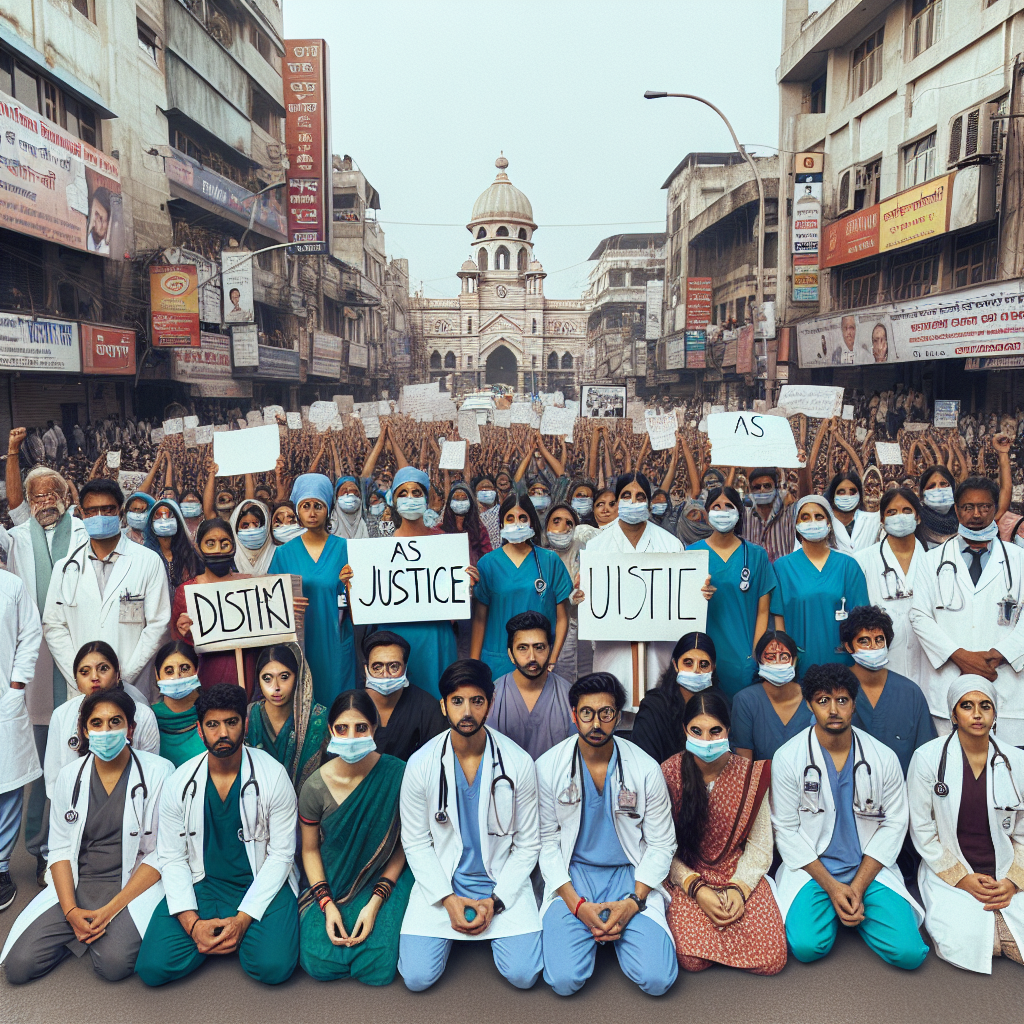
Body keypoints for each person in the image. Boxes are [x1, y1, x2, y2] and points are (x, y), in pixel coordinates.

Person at [0, 690, 173, 983]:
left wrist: (110, 910)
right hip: (80, 880)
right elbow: (59, 848)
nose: (106, 731)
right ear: (84, 730)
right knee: (19, 967)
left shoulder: (159, 772)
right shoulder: (70, 776)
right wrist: (70, 911)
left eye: (115, 722)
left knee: (113, 965)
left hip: (131, 881)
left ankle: (91, 931)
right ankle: (80, 928)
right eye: (97, 723)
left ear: (130, 729)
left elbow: (161, 853)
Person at [135, 684, 299, 986]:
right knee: (152, 968)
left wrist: (244, 919)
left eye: (231, 722)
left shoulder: (273, 776)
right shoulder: (179, 782)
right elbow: (171, 857)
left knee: (273, 967)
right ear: (200, 729)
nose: (222, 733)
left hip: (258, 880)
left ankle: (231, 934)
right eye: (212, 724)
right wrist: (192, 924)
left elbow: (281, 856)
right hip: (204, 885)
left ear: (245, 725)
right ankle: (218, 936)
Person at [397, 659, 543, 992]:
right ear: (443, 705)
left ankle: (490, 912)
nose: (467, 711)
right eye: (457, 701)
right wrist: (448, 899)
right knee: (416, 978)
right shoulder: (421, 765)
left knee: (523, 975)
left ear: (490, 704)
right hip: (443, 883)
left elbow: (528, 845)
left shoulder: (518, 762)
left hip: (501, 883)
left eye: (477, 701)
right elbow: (416, 842)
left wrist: (496, 901)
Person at [771, 663, 927, 969]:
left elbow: (895, 824)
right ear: (809, 705)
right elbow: (786, 831)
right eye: (823, 701)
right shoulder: (788, 758)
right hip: (814, 870)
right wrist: (834, 888)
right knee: (807, 948)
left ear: (854, 705)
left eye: (842, 700)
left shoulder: (883, 758)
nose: (833, 710)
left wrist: (855, 888)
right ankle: (842, 907)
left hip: (868, 869)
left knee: (909, 954)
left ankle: (851, 906)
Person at [535, 672, 678, 996]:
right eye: (587, 713)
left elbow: (662, 844)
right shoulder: (547, 767)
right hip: (574, 875)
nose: (596, 723)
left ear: (619, 716)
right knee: (564, 981)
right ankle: (595, 930)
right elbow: (547, 843)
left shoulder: (645, 768)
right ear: (574, 715)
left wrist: (632, 903)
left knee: (658, 980)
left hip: (630, 875)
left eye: (606, 713)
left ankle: (614, 929)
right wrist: (576, 905)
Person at [4, 457, 89, 881]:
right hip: (35, 666)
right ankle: (40, 848)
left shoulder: (84, 532)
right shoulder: (16, 537)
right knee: (41, 762)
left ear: (64, 497)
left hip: (77, 649)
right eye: (36, 497)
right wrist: (12, 453)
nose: (44, 502)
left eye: (51, 494)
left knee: (79, 752)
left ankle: (81, 843)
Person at [661, 690, 786, 975]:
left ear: (728, 730)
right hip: (687, 876)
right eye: (697, 731)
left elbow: (760, 846)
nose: (706, 740)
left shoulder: (750, 775)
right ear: (684, 729)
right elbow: (660, 846)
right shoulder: (668, 773)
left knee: (772, 959)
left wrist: (739, 890)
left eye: (715, 731)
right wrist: (697, 889)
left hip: (738, 872)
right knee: (690, 960)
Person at [908, 677, 1024, 973]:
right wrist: (962, 878)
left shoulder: (1017, 761)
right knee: (962, 941)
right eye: (967, 706)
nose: (977, 714)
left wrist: (1012, 881)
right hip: (950, 865)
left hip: (1006, 863)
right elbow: (922, 830)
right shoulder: (927, 759)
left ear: (995, 713)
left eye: (985, 706)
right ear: (953, 713)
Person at [298, 690, 413, 984]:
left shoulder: (399, 774)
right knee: (318, 961)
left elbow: (403, 845)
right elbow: (309, 851)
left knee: (378, 965)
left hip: (383, 876)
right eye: (342, 728)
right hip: (333, 880)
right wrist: (327, 904)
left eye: (361, 728)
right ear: (330, 731)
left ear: (374, 728)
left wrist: (375, 902)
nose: (351, 737)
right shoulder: (314, 787)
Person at [910, 475, 1024, 743]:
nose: (976, 515)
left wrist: (1000, 654)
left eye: (985, 507)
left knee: (1007, 764)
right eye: (968, 507)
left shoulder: (1019, 559)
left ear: (995, 509)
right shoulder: (931, 560)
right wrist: (960, 656)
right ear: (957, 509)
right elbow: (919, 616)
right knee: (951, 761)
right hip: (949, 680)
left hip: (1005, 682)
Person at [43, 478, 171, 704]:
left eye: (108, 509)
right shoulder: (65, 568)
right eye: (92, 511)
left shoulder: (148, 561)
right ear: (82, 514)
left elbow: (158, 625)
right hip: (82, 692)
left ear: (120, 512)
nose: (99, 516)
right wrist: (81, 676)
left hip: (133, 685)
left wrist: (121, 676)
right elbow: (54, 627)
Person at [347, 466, 459, 700]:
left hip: (436, 637)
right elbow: (364, 608)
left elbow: (454, 600)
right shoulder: (379, 548)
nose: (410, 498)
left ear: (426, 498)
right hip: (392, 638)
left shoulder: (445, 544)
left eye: (416, 493)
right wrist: (352, 585)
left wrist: (465, 584)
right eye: (403, 493)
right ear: (393, 500)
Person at [581, 473, 685, 703]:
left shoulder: (670, 544)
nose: (633, 501)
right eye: (626, 495)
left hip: (658, 651)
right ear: (617, 501)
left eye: (640, 497)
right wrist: (579, 597)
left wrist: (697, 593)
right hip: (613, 651)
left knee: (657, 710)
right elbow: (589, 608)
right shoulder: (596, 547)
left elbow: (681, 601)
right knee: (612, 705)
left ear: (648, 503)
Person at [270, 473, 357, 707]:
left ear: (328, 509)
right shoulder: (283, 554)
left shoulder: (345, 549)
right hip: (301, 642)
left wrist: (349, 587)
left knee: (340, 706)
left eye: (318, 506)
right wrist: (286, 605)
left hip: (336, 641)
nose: (311, 512)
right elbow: (271, 604)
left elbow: (362, 602)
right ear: (297, 510)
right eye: (305, 506)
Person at [471, 494, 572, 681]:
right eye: (510, 518)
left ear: (531, 522)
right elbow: (479, 619)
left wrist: (551, 660)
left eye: (522, 518)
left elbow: (562, 618)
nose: (516, 523)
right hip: (497, 660)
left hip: (538, 661)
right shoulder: (487, 564)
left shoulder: (550, 561)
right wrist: (474, 664)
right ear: (501, 523)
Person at [690, 485, 777, 699]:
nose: (722, 512)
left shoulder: (756, 555)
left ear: (739, 512)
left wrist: (755, 655)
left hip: (744, 659)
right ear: (707, 513)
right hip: (703, 657)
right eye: (716, 506)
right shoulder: (691, 554)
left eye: (729, 506)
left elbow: (763, 611)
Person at [44, 642, 159, 800]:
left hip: (131, 800)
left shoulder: (143, 715)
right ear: (76, 682)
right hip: (74, 803)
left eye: (103, 669)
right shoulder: (61, 715)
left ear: (117, 674)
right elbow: (53, 779)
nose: (94, 678)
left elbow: (150, 770)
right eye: (85, 672)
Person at [771, 495, 869, 676]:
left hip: (843, 664)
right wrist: (785, 660)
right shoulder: (782, 567)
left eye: (818, 516)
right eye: (805, 517)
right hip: (799, 663)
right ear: (796, 525)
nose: (812, 522)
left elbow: (862, 621)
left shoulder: (848, 566)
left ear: (829, 523)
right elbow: (778, 621)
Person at [841, 605, 935, 776]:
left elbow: (928, 755)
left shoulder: (910, 693)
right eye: (864, 641)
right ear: (848, 646)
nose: (873, 647)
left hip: (900, 788)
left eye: (879, 640)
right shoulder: (836, 690)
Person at [171, 518, 258, 694]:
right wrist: (186, 634)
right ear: (198, 548)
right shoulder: (186, 592)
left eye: (224, 544)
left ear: (234, 547)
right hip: (207, 676)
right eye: (210, 544)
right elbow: (178, 648)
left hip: (248, 674)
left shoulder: (250, 585)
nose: (218, 550)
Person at [0, 567, 43, 911]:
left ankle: (0, 868)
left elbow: (31, 632)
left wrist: (17, 686)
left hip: (4, 699)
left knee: (8, 785)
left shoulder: (11, 585)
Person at [854, 487, 928, 681]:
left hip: (927, 659)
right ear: (882, 520)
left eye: (906, 510)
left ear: (918, 517)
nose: (900, 517)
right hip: (882, 659)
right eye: (892, 512)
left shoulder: (934, 560)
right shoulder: (862, 560)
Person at [490, 611, 574, 760]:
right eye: (523, 648)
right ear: (510, 654)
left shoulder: (569, 696)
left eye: (539, 647)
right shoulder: (493, 696)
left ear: (550, 649)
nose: (532, 657)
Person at [244, 643, 327, 795]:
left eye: (284, 677)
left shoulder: (318, 719)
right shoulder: (249, 716)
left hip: (308, 802)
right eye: (267, 678)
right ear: (258, 681)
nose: (276, 687)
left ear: (298, 677)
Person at [632, 632, 724, 766]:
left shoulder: (721, 707)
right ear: (675, 665)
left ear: (713, 669)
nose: (696, 670)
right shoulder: (654, 707)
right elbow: (643, 764)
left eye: (704, 664)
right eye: (688, 663)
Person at [359, 630, 446, 762]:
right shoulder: (352, 705)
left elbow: (438, 759)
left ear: (405, 667)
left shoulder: (427, 709)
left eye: (394, 667)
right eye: (377, 667)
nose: (385, 674)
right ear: (366, 669)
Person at [730, 630, 812, 761]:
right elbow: (744, 760)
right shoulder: (745, 701)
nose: (777, 663)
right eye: (771, 657)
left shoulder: (812, 698)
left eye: (784, 657)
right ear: (759, 661)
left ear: (795, 661)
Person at [543, 501, 596, 679]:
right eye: (556, 521)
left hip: (583, 632)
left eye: (569, 523)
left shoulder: (585, 554)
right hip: (549, 632)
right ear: (546, 527)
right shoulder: (538, 558)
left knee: (584, 677)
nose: (563, 527)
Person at [150, 640, 205, 768]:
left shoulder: (211, 713)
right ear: (157, 675)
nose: (177, 676)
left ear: (196, 671)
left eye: (184, 669)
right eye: (169, 671)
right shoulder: (149, 718)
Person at [145, 498, 202, 600]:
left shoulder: (190, 554)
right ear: (151, 523)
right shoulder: (146, 556)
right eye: (158, 516)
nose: (164, 520)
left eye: (170, 516)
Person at [741, 467, 797, 564]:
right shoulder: (745, 517)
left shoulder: (788, 515)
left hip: (782, 572)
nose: (762, 490)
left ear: (776, 488)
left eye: (767, 486)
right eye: (757, 487)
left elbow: (807, 499)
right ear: (750, 491)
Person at [826, 471, 881, 554]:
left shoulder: (872, 520)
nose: (847, 496)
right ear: (833, 495)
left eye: (852, 493)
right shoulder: (824, 522)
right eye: (841, 492)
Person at [442, 480, 492, 565]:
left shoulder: (479, 530)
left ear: (470, 502)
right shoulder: (440, 530)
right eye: (456, 498)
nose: (460, 502)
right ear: (450, 502)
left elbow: (488, 557)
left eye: (464, 498)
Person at [230, 498, 277, 576]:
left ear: (267, 526)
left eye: (256, 525)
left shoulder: (278, 555)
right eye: (245, 526)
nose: (252, 529)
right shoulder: (229, 562)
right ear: (235, 530)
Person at [917, 465, 960, 549]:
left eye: (943, 484)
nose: (938, 489)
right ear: (922, 495)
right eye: (931, 486)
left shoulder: (965, 523)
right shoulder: (917, 528)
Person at [331, 475, 370, 541]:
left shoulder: (368, 527)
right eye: (345, 492)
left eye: (355, 493)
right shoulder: (328, 528)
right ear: (336, 497)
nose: (351, 495)